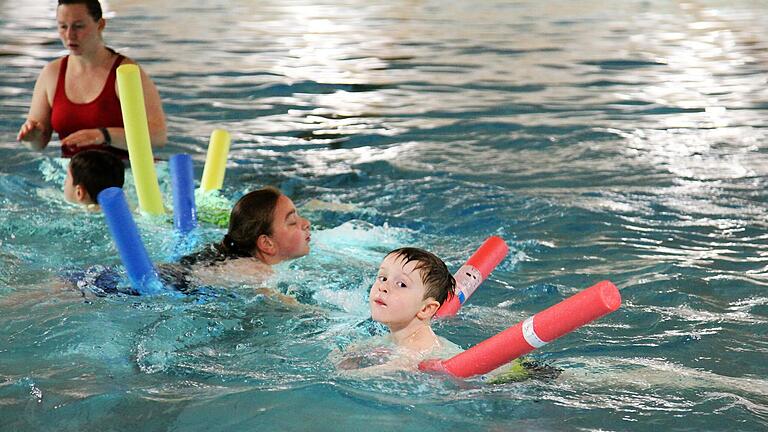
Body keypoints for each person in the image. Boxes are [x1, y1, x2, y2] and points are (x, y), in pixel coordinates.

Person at [16, 0, 167, 159]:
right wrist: (31, 138)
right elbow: (38, 145)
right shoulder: (51, 74)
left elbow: (157, 136)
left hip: (123, 172)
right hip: (73, 175)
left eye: (78, 26)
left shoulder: (125, 73)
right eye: (63, 26)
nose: (69, 35)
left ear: (100, 24)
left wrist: (104, 136)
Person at [334, 247, 463, 373]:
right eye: (383, 278)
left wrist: (343, 373)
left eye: (401, 284)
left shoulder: (419, 349)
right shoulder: (396, 337)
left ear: (426, 308)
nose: (383, 287)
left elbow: (370, 375)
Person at [180, 186, 312, 286]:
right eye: (292, 222)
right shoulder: (259, 273)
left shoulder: (238, 262)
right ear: (267, 243)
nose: (307, 223)